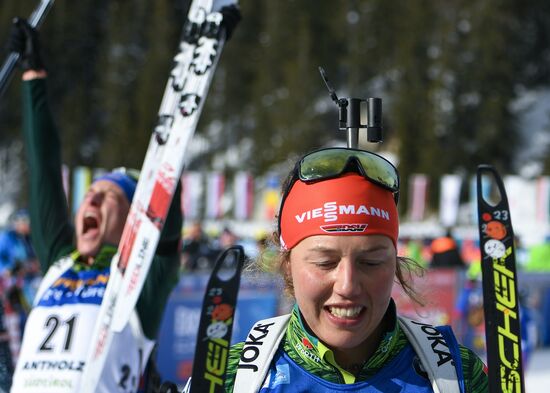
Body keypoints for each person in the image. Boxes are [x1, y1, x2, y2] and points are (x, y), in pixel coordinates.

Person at [7, 19, 183, 393]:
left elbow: (167, 213)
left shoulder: (139, 282)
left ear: (136, 220)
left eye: (110, 196)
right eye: (90, 193)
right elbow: (44, 171)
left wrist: (194, 74)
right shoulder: (60, 261)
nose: (92, 198)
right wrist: (34, 76)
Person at [224, 147, 488, 392]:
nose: (347, 285)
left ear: (395, 264)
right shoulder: (230, 379)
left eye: (370, 262)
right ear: (288, 265)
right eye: (324, 262)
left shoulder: (458, 374)